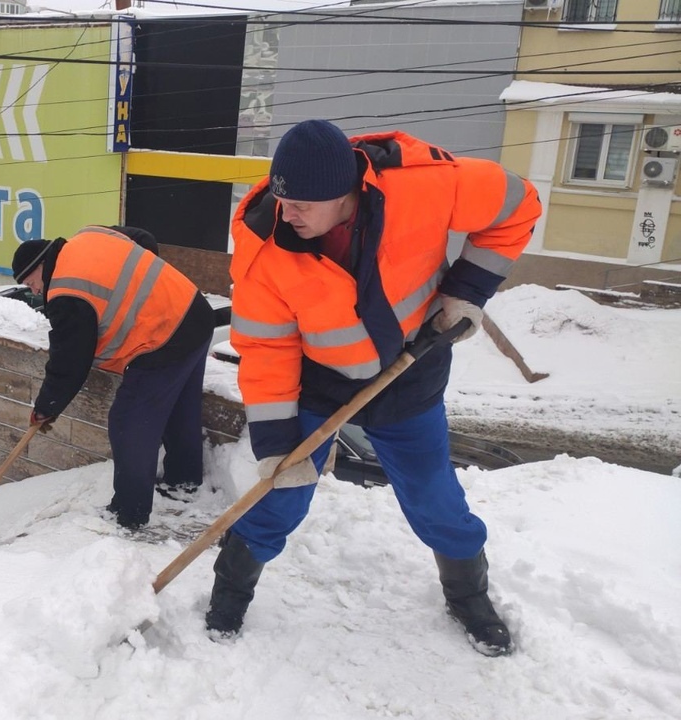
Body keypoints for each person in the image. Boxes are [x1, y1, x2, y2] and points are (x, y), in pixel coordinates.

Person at [209, 119, 541, 656]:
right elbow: (267, 349)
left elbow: (518, 205)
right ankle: (230, 588)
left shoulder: (424, 185)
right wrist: (275, 446)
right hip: (320, 386)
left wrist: (467, 290)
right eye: (280, 197)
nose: (286, 213)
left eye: (302, 205)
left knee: (436, 501)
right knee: (280, 495)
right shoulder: (264, 247)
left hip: (412, 371)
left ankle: (467, 595)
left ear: (346, 193)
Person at [12, 224, 215, 529]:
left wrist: (46, 407)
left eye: (32, 283)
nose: (36, 291)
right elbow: (144, 239)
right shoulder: (89, 236)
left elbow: (70, 359)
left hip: (162, 338)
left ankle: (128, 514)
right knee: (179, 410)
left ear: (42, 265)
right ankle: (182, 482)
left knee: (128, 422)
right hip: (194, 310)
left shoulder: (67, 291)